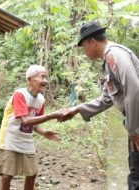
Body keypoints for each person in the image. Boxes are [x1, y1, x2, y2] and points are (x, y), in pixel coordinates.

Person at [59, 21, 139, 190]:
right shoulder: (109, 61)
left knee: (137, 176)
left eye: (84, 47)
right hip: (135, 122)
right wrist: (77, 109)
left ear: (92, 42)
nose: (84, 52)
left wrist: (133, 129)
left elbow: (134, 89)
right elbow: (106, 99)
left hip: (137, 123)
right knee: (135, 170)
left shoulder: (114, 54)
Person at [0, 65, 62, 190]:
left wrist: (43, 132)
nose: (46, 81)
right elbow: (25, 121)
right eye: (42, 77)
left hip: (26, 139)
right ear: (30, 79)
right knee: (7, 175)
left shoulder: (41, 99)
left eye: (46, 77)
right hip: (10, 138)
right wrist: (53, 115)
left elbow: (34, 122)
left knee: (32, 173)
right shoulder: (19, 94)